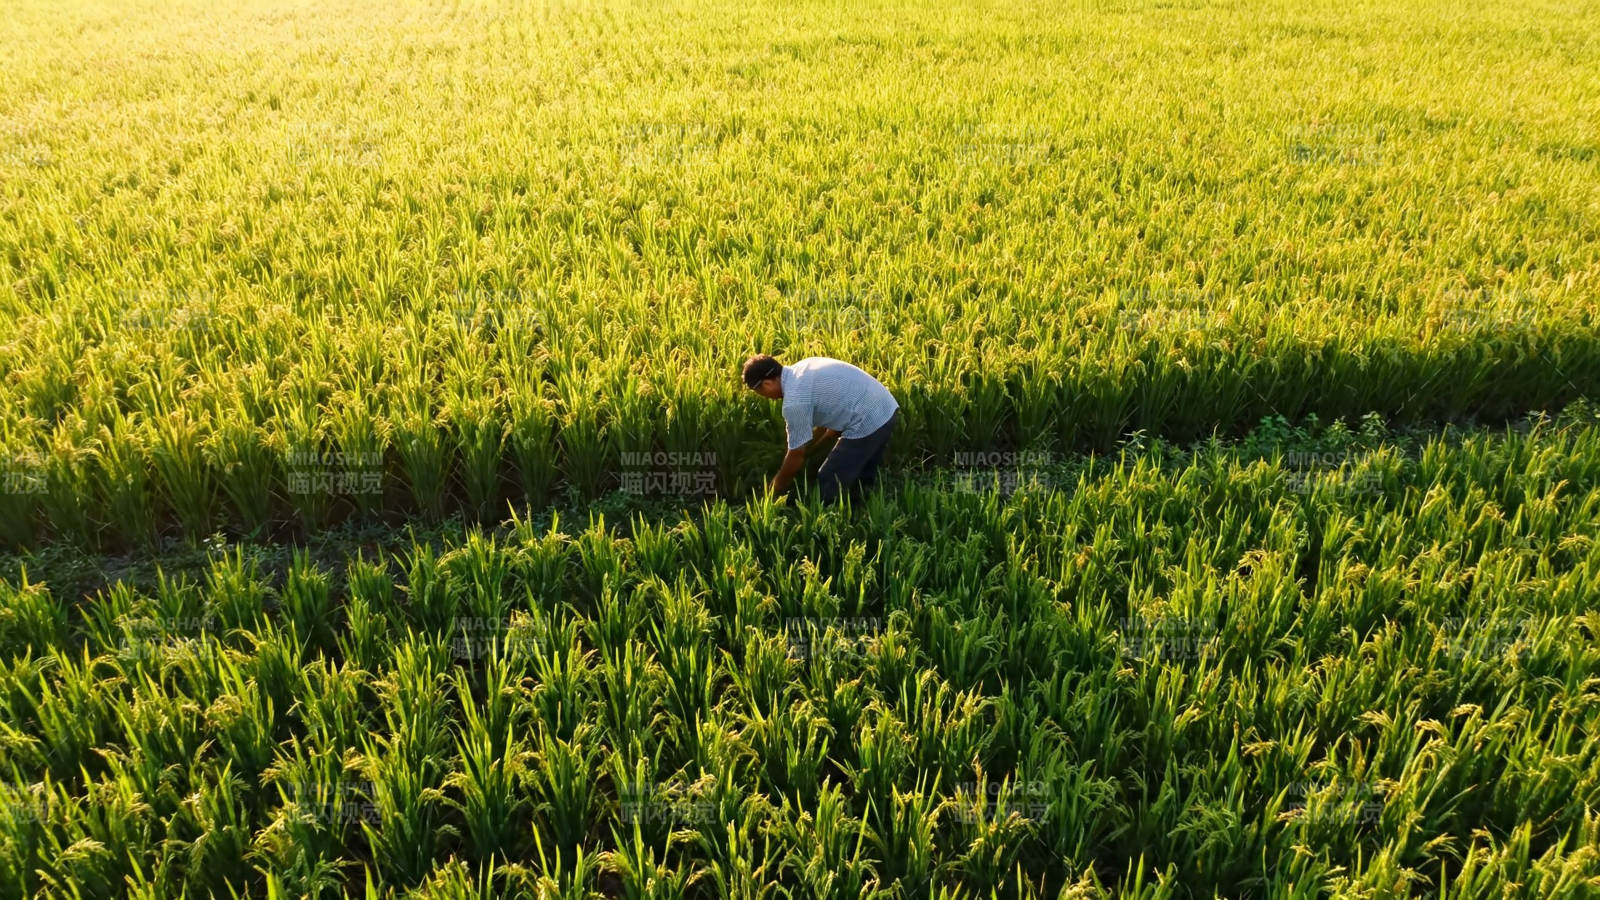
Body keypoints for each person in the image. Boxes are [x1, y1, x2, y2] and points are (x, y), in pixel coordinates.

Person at [743, 354, 899, 504]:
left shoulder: (795, 402)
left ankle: (830, 519)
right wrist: (812, 450)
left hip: (868, 420)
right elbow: (828, 421)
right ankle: (864, 509)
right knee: (862, 475)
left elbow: (796, 456)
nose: (764, 396)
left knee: (829, 478)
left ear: (767, 384)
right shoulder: (803, 367)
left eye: (759, 392)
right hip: (885, 407)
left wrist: (773, 490)